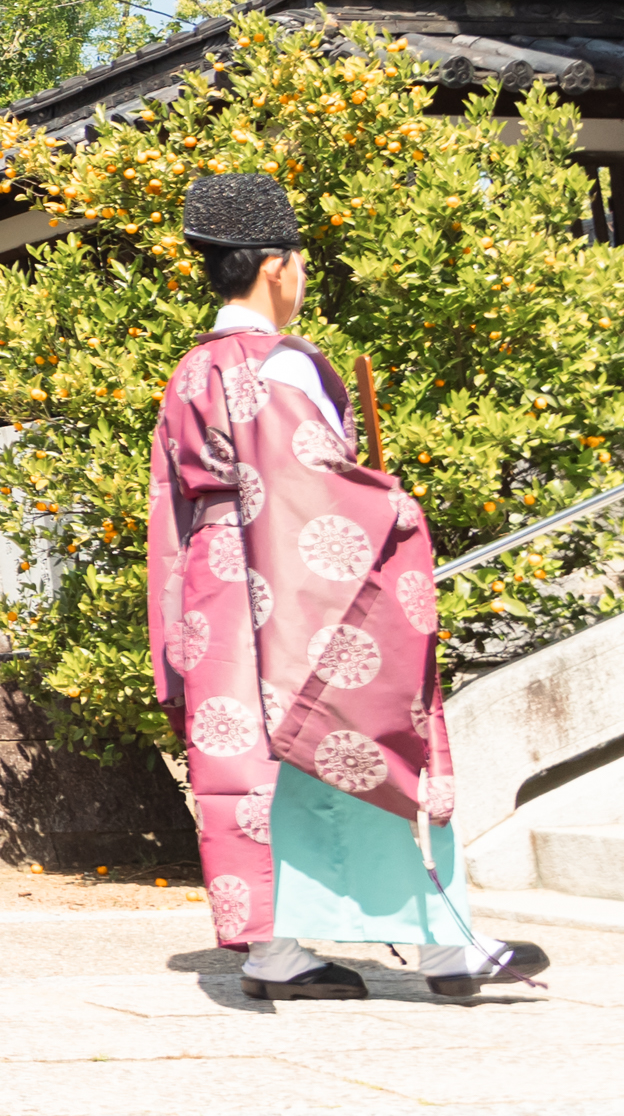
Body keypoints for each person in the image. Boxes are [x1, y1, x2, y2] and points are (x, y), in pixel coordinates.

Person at [149, 172, 546, 1003]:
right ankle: (443, 945)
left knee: (257, 765)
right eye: (298, 265)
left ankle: (275, 953)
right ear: (275, 267)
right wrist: (393, 504)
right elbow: (311, 483)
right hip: (289, 580)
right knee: (365, 731)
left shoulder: (191, 371)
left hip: (219, 585)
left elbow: (179, 502)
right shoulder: (283, 367)